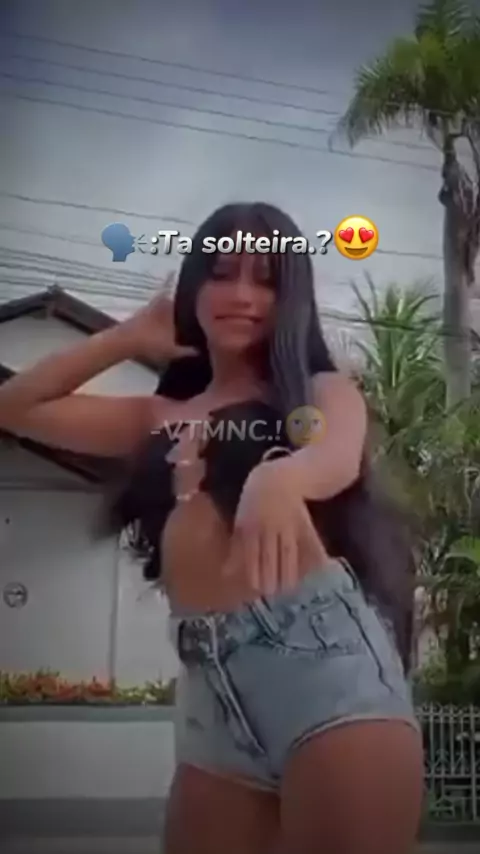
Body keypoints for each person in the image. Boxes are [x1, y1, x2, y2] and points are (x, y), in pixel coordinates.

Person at [0, 202, 424, 854]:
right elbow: (13, 407)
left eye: (266, 280)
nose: (242, 296)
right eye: (222, 274)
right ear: (194, 287)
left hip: (324, 665)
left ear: (291, 298)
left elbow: (334, 456)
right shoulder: (156, 415)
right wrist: (128, 337)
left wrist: (281, 479)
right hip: (210, 687)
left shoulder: (314, 393)